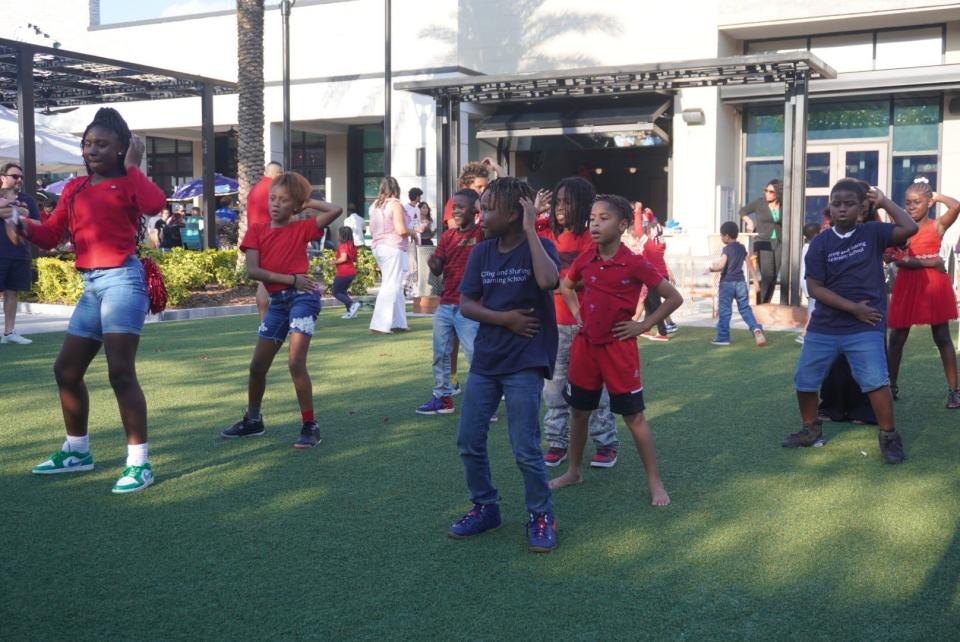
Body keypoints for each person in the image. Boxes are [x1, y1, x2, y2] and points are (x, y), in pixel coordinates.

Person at [7, 108, 166, 493]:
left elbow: (153, 204)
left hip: (122, 282)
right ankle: (77, 451)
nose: (91, 149)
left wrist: (133, 165)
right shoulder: (75, 189)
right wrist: (19, 221)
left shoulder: (129, 181)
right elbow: (49, 236)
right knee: (66, 370)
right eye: (88, 143)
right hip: (92, 286)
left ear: (121, 150)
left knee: (120, 372)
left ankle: (139, 464)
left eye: (102, 144)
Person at [448, 177, 561, 553]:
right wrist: (506, 319)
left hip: (525, 362)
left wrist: (531, 230)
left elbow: (548, 281)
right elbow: (466, 304)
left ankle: (541, 515)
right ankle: (485, 507)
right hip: (487, 359)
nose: (481, 216)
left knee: (525, 446)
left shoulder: (541, 247)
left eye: (489, 209)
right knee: (468, 440)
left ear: (514, 213)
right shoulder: (482, 252)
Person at [549, 194, 681, 506]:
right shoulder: (586, 258)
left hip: (618, 350)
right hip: (586, 347)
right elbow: (567, 285)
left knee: (634, 416)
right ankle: (574, 471)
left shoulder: (634, 262)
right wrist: (578, 314)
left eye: (603, 218)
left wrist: (643, 325)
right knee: (579, 411)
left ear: (623, 225)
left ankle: (655, 482)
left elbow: (673, 297)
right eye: (592, 218)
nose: (595, 223)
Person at [783, 180, 918, 464]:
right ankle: (810, 430)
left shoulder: (872, 233)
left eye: (849, 204)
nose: (842, 208)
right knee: (805, 380)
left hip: (864, 326)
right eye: (836, 203)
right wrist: (853, 308)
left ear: (861, 209)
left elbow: (910, 228)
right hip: (825, 326)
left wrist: (884, 202)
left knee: (876, 382)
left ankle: (889, 437)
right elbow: (815, 288)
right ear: (829, 207)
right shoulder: (820, 243)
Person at [223, 171, 343, 448]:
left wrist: (308, 202)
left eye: (284, 200)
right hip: (279, 301)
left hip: (304, 299)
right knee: (257, 367)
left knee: (295, 363)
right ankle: (253, 420)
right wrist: (290, 279)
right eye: (272, 198)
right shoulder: (257, 231)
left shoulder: (302, 228)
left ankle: (310, 425)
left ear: (294, 206)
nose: (275, 204)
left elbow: (336, 209)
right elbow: (253, 271)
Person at [538, 177, 619, 469]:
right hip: (555, 324)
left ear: (583, 205)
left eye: (567, 202)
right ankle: (557, 442)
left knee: (595, 387)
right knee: (554, 387)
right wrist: (534, 213)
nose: (560, 208)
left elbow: (592, 274)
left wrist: (558, 283)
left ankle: (605, 442)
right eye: (557, 201)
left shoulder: (592, 236)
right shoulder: (544, 232)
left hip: (589, 324)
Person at [886, 178, 960, 407]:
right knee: (897, 338)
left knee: (942, 337)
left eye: (917, 202)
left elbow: (956, 206)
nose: (910, 207)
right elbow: (896, 259)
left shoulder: (937, 225)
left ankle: (954, 391)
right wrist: (928, 262)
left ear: (928, 203)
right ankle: (890, 387)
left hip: (933, 285)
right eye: (907, 202)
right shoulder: (901, 226)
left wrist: (936, 195)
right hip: (907, 285)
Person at [415, 188, 483, 415]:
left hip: (471, 305)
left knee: (475, 355)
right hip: (446, 303)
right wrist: (432, 262)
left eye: (461, 207)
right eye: (454, 206)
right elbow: (438, 267)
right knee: (440, 353)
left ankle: (484, 403)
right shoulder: (447, 237)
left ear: (475, 210)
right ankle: (444, 399)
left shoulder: (482, 233)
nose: (455, 211)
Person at [705, 221, 766, 347]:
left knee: (725, 311)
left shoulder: (726, 249)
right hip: (741, 283)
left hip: (727, 283)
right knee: (744, 308)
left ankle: (723, 337)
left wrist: (710, 269)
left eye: (722, 236)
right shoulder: (742, 248)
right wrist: (755, 281)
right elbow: (749, 265)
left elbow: (721, 266)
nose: (721, 238)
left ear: (727, 236)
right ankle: (755, 328)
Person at [0, 162, 40, 345]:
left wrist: (9, 212)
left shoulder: (28, 199)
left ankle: (9, 333)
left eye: (21, 177)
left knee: (13, 293)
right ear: (2, 178)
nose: (19, 180)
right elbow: (24, 214)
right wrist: (19, 211)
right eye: (14, 176)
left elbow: (38, 224)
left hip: (19, 253)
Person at [369, 177, 412, 334]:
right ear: (396, 190)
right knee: (391, 285)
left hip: (378, 246)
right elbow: (401, 229)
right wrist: (413, 232)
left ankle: (399, 323)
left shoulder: (374, 206)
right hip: (393, 247)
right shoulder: (395, 204)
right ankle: (380, 325)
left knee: (395, 285)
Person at [245, 161, 284, 320]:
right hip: (271, 239)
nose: (282, 176)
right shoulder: (273, 190)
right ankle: (266, 321)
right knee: (266, 283)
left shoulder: (254, 189)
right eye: (281, 173)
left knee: (264, 281)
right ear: (276, 173)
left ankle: (265, 320)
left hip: (255, 240)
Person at [740, 179, 783, 304]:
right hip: (763, 240)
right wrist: (749, 222)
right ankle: (760, 304)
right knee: (767, 274)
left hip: (779, 240)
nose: (767, 193)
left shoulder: (784, 204)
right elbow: (743, 211)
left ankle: (766, 303)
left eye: (771, 192)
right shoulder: (759, 203)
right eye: (766, 190)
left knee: (774, 276)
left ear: (778, 193)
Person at [638, 218, 672, 342]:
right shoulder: (661, 243)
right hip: (660, 276)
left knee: (655, 305)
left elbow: (638, 229)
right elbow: (655, 225)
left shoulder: (650, 245)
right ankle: (647, 329)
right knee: (648, 303)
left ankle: (662, 332)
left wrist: (637, 211)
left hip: (656, 278)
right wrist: (649, 215)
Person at [796, 222, 822, 345]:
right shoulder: (812, 247)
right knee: (814, 311)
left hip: (806, 282)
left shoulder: (807, 245)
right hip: (810, 282)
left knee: (813, 310)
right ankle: (804, 334)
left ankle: (808, 334)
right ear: (816, 234)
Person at [332, 226, 361, 319]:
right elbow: (355, 258)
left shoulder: (343, 245)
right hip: (351, 272)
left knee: (336, 292)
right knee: (342, 292)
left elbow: (343, 258)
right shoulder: (351, 245)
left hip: (344, 272)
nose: (337, 235)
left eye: (338, 233)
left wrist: (333, 262)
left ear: (342, 235)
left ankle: (352, 305)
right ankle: (351, 312)